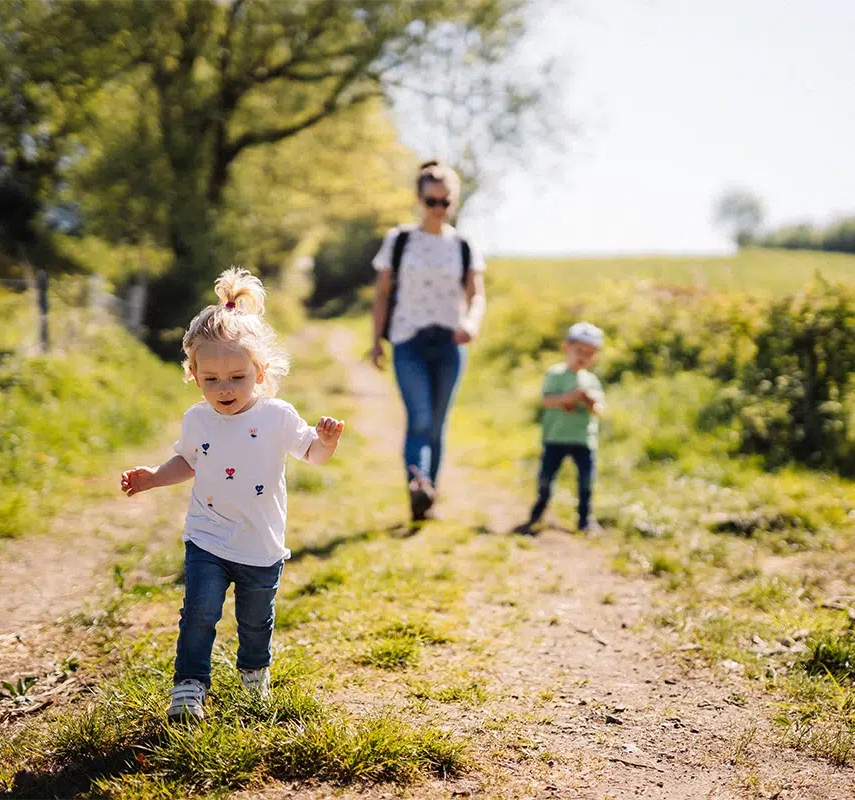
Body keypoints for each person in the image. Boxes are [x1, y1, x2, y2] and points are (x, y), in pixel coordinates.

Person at [120, 267, 344, 722]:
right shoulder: (197, 419)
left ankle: (253, 678)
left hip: (260, 543)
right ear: (194, 373)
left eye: (237, 378)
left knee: (255, 622)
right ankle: (189, 687)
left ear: (260, 373)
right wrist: (152, 478)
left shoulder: (278, 416)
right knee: (199, 613)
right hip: (207, 536)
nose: (224, 389)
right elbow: (187, 462)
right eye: (212, 379)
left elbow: (312, 455)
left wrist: (327, 443)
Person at [370, 160, 487, 521]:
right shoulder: (400, 240)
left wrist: (470, 322)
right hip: (409, 340)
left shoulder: (464, 245)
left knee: (438, 423)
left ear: (453, 203)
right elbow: (382, 294)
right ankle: (418, 484)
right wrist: (375, 341)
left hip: (451, 343)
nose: (438, 209)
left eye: (444, 202)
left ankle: (427, 495)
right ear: (419, 200)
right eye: (431, 201)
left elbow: (477, 295)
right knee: (419, 418)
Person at [516, 322, 605, 535]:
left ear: (595, 357)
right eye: (579, 351)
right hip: (555, 438)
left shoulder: (592, 381)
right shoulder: (555, 374)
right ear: (567, 348)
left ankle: (585, 520)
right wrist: (568, 398)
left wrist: (589, 400)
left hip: (583, 440)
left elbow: (599, 409)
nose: (583, 356)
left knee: (585, 482)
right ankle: (537, 513)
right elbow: (546, 400)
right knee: (546, 479)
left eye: (589, 353)